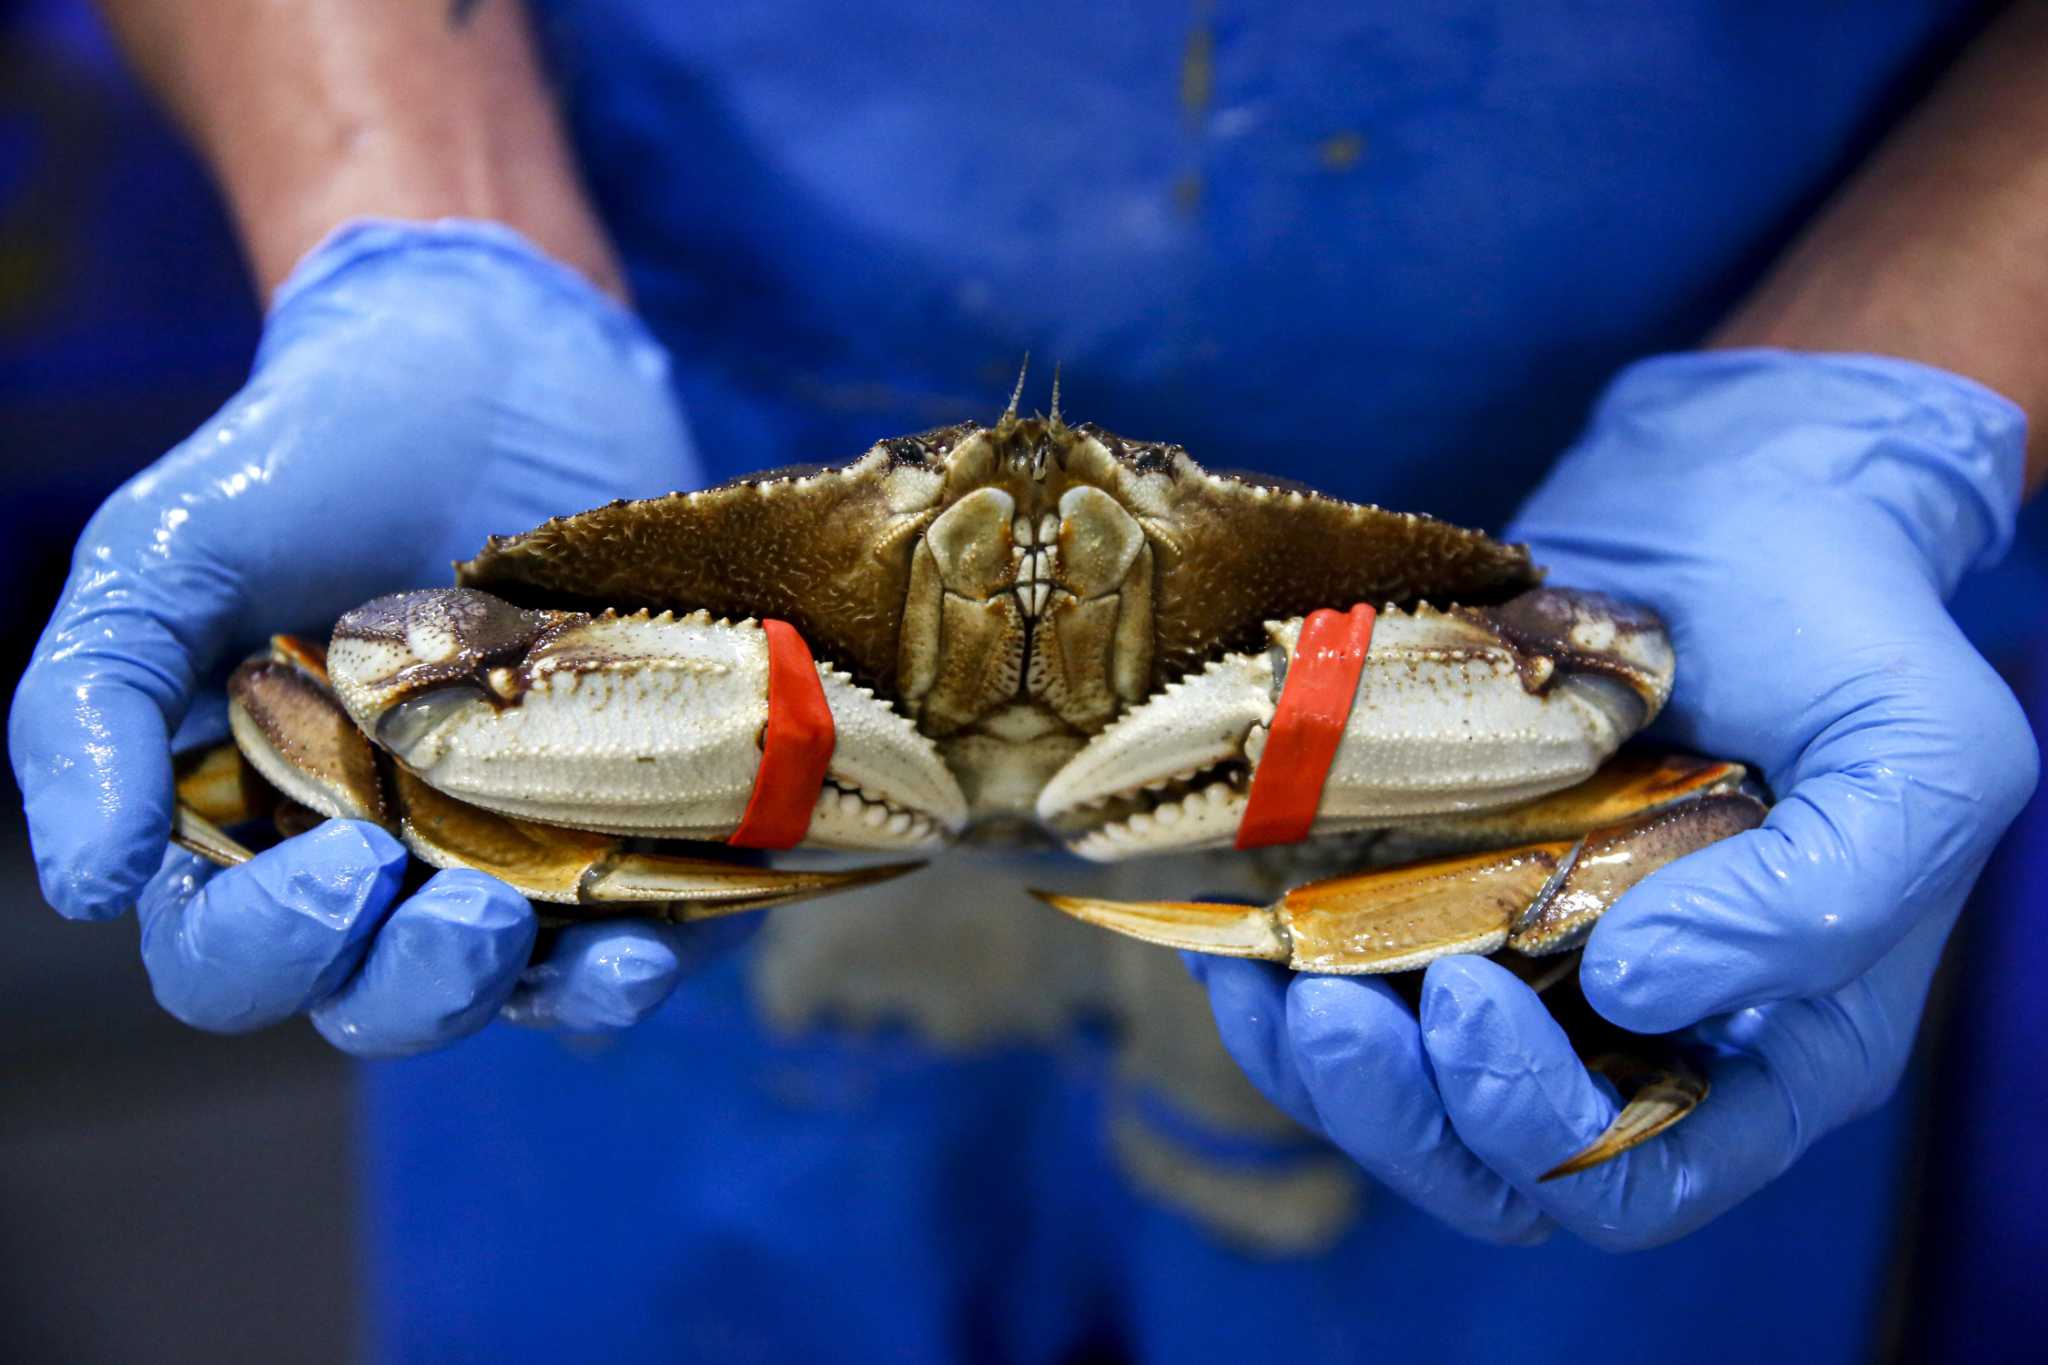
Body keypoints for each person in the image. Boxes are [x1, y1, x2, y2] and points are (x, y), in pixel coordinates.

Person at [12, 1, 2044, 1359]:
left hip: (1560, 567)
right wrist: (425, 231)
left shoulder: (1564, 642)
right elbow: (327, 698)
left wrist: (1848, 416)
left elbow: (1646, 750)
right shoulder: (569, 598)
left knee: (1662, 982)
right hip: (652, 512)